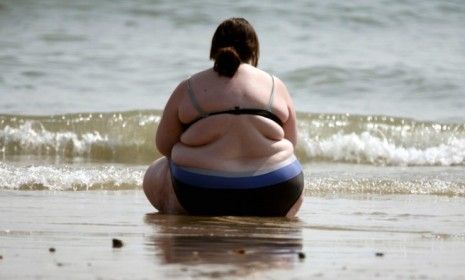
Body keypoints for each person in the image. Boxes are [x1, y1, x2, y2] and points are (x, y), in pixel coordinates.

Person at [143, 18, 304, 217]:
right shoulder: (274, 85)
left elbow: (164, 144)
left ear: (213, 49)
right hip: (276, 190)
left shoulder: (189, 87)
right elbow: (291, 141)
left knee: (158, 168)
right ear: (254, 51)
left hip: (200, 192)